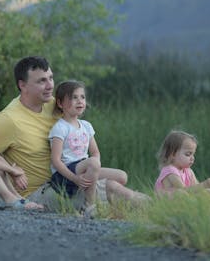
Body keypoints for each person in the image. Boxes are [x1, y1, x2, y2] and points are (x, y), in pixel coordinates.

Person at [0, 56, 148, 212]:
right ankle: (155, 207)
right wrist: (11, 170)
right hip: (40, 192)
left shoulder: (53, 104)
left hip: (68, 176)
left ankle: (159, 203)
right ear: (23, 85)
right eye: (42, 80)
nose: (50, 86)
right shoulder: (7, 120)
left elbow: (76, 121)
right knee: (113, 188)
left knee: (120, 178)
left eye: (50, 78)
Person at [49, 80, 147, 214]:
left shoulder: (86, 126)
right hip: (65, 174)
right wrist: (75, 178)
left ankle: (123, 198)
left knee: (122, 176)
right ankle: (89, 205)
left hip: (85, 167)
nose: (80, 101)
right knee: (93, 163)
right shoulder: (60, 128)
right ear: (60, 103)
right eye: (74, 97)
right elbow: (55, 160)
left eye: (82, 97)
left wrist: (94, 170)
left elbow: (95, 153)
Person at [154, 130, 210, 194]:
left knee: (204, 193)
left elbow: (198, 189)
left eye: (193, 154)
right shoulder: (170, 170)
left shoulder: (188, 171)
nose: (192, 158)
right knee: (181, 193)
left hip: (184, 196)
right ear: (173, 154)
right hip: (168, 199)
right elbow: (184, 190)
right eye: (188, 154)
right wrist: (204, 185)